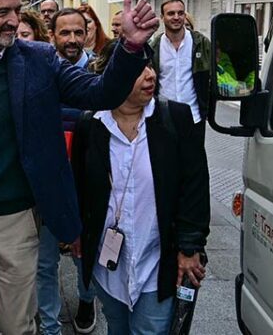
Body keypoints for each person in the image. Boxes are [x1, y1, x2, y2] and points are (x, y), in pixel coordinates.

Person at [0, 0, 159, 335]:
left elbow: (99, 93)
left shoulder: (39, 60)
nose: (14, 21)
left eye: (17, 10)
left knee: (18, 325)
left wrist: (131, 46)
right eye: (2, 12)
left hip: (17, 222)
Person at [71, 58, 210, 334]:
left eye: (150, 66)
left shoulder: (175, 118)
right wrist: (77, 233)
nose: (150, 76)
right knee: (117, 326)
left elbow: (195, 186)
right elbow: (79, 187)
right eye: (138, 70)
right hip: (108, 264)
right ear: (112, 77)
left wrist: (189, 248)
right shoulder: (90, 125)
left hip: (158, 263)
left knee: (150, 329)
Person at [38, 6, 99, 334]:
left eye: (78, 32)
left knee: (84, 252)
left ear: (87, 32)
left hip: (85, 180)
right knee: (44, 260)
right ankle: (49, 324)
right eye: (65, 33)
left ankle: (87, 299)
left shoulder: (98, 72)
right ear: (52, 36)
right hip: (48, 180)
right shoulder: (40, 71)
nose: (72, 39)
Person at [150, 0, 210, 143]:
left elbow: (215, 74)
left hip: (194, 118)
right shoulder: (154, 47)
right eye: (171, 14)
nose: (176, 17)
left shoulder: (201, 43)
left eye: (180, 13)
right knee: (165, 165)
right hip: (164, 119)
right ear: (162, 17)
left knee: (194, 164)